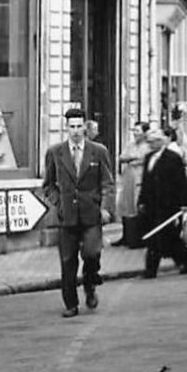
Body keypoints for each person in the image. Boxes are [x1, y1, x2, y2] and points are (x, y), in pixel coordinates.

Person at [42, 107, 116, 318]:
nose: (75, 131)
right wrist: (58, 203)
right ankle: (71, 304)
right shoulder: (55, 153)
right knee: (67, 261)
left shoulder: (98, 151)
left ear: (85, 126)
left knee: (92, 253)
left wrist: (105, 208)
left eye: (79, 126)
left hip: (92, 214)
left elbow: (108, 183)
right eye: (71, 127)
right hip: (67, 217)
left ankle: (90, 283)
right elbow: (48, 185)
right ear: (66, 128)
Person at [137, 127, 187, 278]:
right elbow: (145, 181)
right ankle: (154, 268)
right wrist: (141, 201)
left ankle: (183, 261)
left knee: (168, 236)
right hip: (152, 204)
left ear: (160, 142)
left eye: (152, 142)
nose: (150, 145)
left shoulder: (172, 158)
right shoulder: (149, 157)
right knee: (154, 237)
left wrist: (184, 204)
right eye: (149, 142)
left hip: (169, 204)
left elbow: (181, 182)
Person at [115, 121, 150, 247]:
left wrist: (132, 159)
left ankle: (137, 239)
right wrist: (133, 158)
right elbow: (122, 157)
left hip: (140, 180)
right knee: (125, 207)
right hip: (128, 179)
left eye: (138, 131)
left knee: (137, 208)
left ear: (145, 133)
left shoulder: (148, 146)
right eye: (134, 131)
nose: (135, 134)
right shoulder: (130, 145)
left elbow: (145, 159)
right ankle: (125, 236)